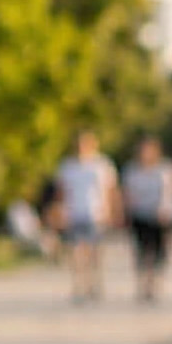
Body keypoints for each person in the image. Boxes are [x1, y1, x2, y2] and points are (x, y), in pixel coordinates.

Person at [54, 130, 118, 303]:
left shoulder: (102, 165)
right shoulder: (67, 166)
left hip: (96, 213)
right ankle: (79, 285)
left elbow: (110, 190)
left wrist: (112, 211)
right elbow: (61, 192)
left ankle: (94, 283)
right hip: (74, 212)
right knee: (75, 252)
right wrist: (59, 211)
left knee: (94, 252)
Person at [122, 136, 172, 301]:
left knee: (159, 251)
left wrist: (169, 209)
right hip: (140, 214)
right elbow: (126, 192)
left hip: (160, 215)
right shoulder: (132, 170)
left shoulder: (167, 169)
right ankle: (143, 284)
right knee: (141, 250)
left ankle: (155, 282)